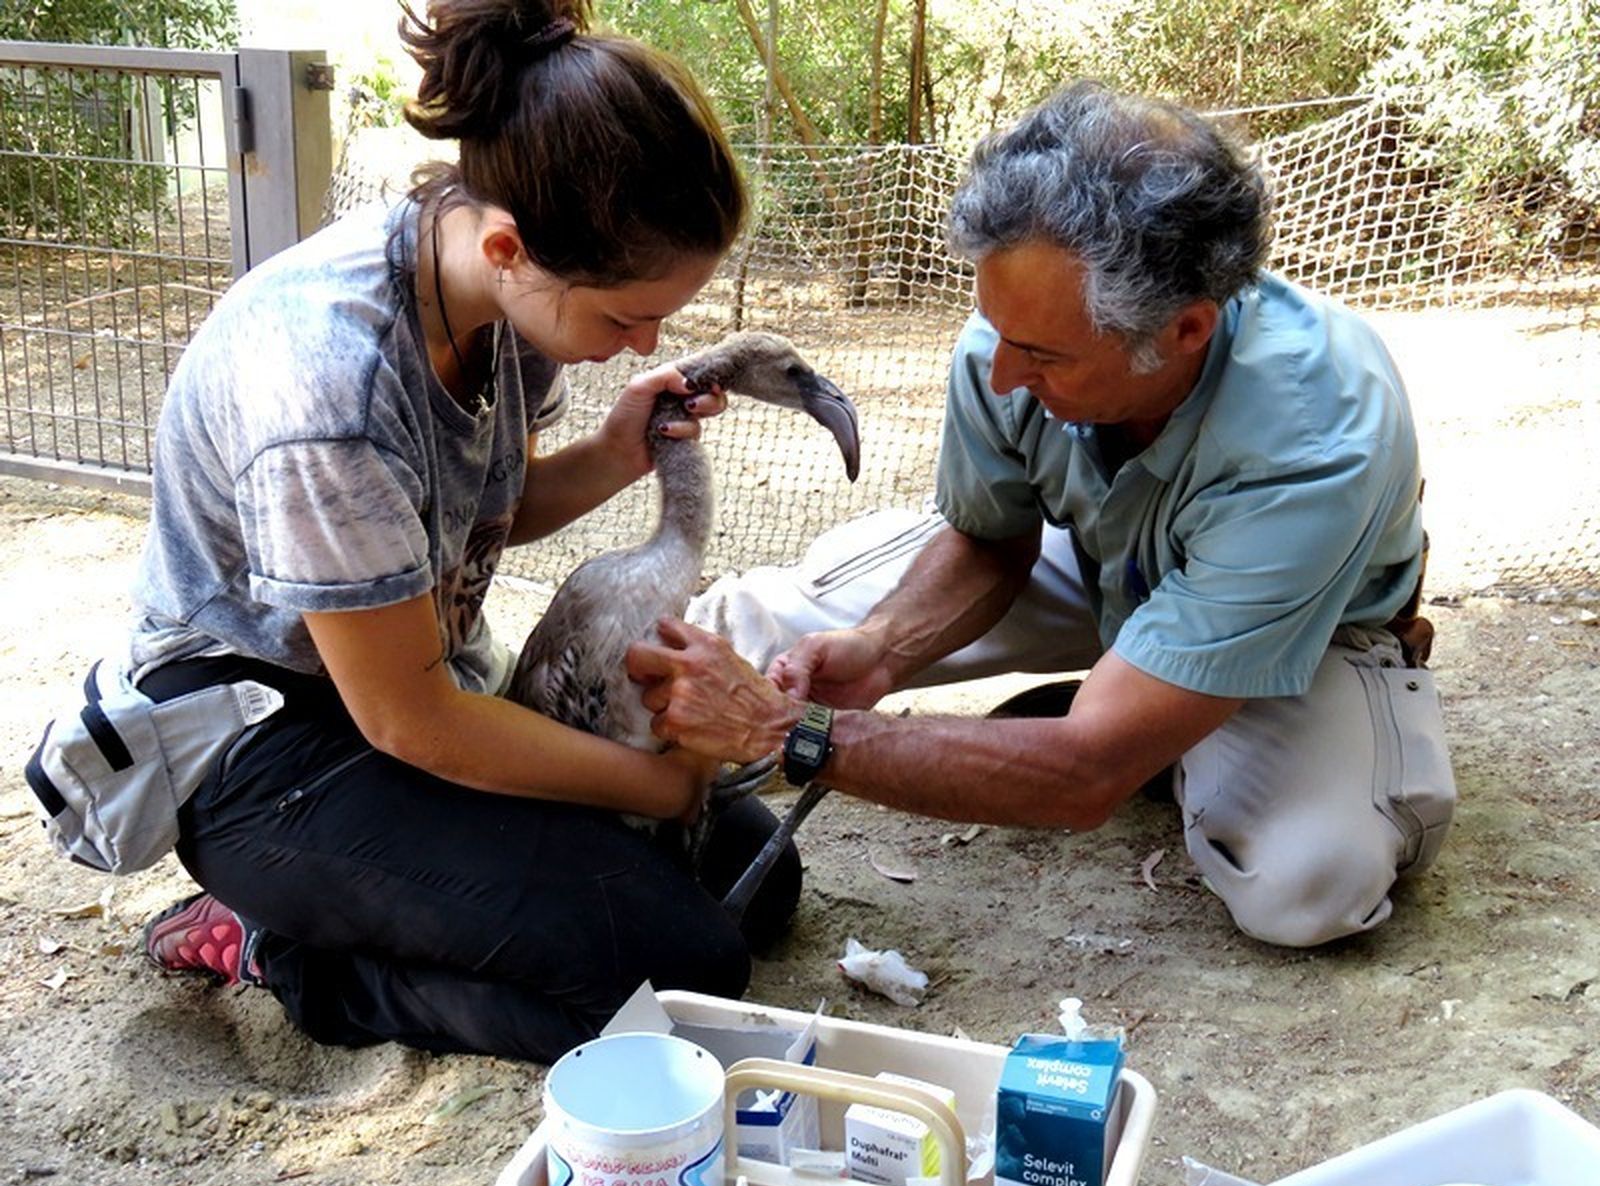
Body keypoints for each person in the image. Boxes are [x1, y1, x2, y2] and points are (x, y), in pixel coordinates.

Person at [116, 0, 800, 1064]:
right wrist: (664, 781)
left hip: (394, 693)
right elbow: (414, 722)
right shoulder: (327, 382)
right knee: (683, 968)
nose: (643, 347)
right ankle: (280, 949)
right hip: (264, 745)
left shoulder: (503, 310)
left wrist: (617, 455)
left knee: (755, 878)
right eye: (625, 318)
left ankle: (389, 908)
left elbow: (476, 517)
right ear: (509, 246)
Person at [629, 81, 1458, 949]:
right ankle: (1139, 702)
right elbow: (990, 541)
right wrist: (884, 646)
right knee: (735, 639)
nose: (1000, 378)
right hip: (1095, 551)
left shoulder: (1317, 437)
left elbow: (1086, 777)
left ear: (1184, 331)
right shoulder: (1013, 335)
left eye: (1041, 355)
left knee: (1309, 883)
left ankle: (1165, 719)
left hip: (1292, 626)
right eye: (997, 331)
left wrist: (788, 731)